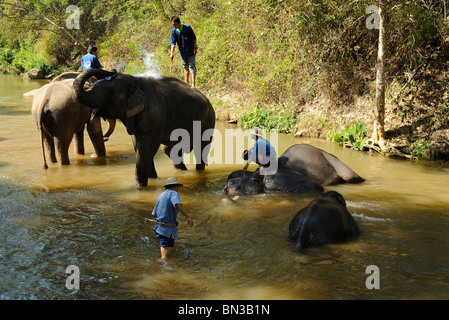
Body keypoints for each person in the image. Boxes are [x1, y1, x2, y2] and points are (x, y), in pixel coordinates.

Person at [151, 177, 194, 260]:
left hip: (159, 229)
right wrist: (188, 217)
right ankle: (157, 269)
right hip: (167, 231)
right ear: (176, 187)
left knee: (171, 252)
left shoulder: (161, 195)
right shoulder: (174, 193)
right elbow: (177, 205)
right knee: (165, 259)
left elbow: (154, 213)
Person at [169, 16, 198, 88]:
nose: (174, 26)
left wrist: (195, 48)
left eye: (175, 24)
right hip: (182, 52)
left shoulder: (187, 28)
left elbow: (194, 38)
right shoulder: (174, 31)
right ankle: (187, 84)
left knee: (192, 66)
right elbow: (173, 43)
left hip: (190, 50)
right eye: (173, 25)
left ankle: (193, 84)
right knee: (185, 67)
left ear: (179, 23)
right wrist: (171, 53)